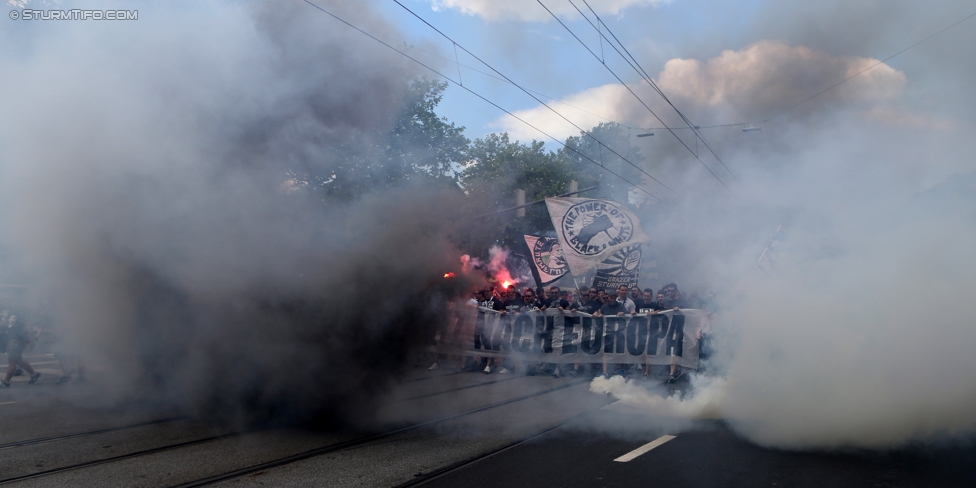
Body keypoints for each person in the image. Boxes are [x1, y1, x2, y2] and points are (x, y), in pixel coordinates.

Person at [1, 315, 40, 387]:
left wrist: (31, 340)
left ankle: (6, 382)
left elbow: (29, 326)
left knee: (12, 361)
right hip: (13, 340)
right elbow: (5, 323)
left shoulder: (20, 310)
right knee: (18, 360)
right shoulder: (11, 311)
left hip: (19, 340)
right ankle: (34, 374)